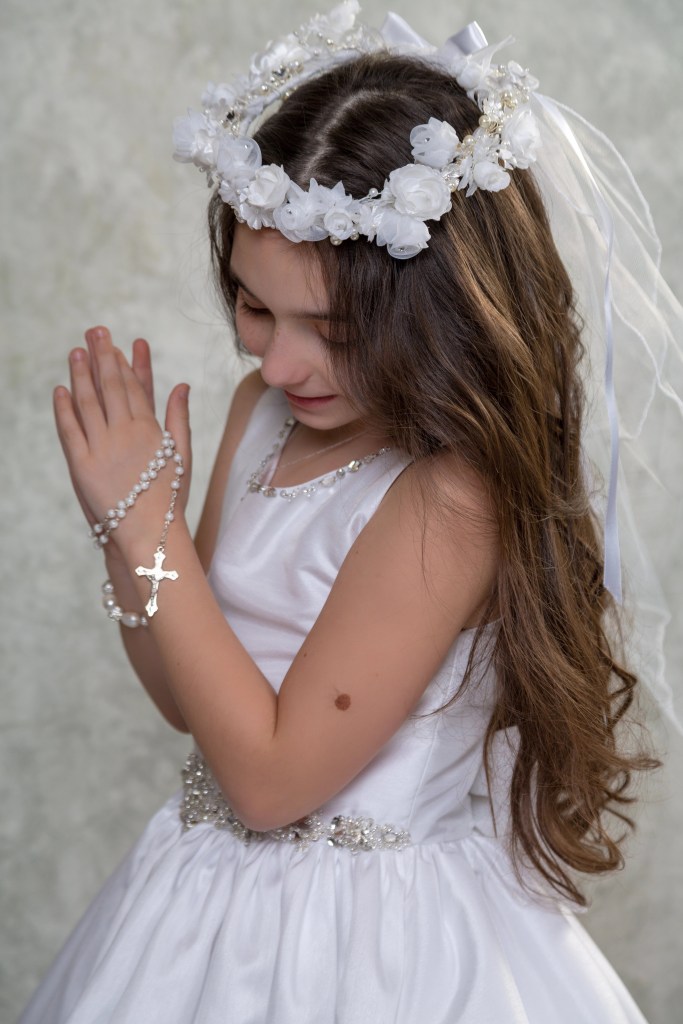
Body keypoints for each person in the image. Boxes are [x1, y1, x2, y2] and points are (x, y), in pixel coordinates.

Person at [21, 4, 683, 1022]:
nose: (279, 364)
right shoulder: (259, 412)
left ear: (441, 312)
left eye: (330, 331)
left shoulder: (449, 496)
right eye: (254, 306)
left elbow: (269, 783)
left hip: (371, 941)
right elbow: (186, 696)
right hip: (202, 907)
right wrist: (130, 530)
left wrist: (148, 531)